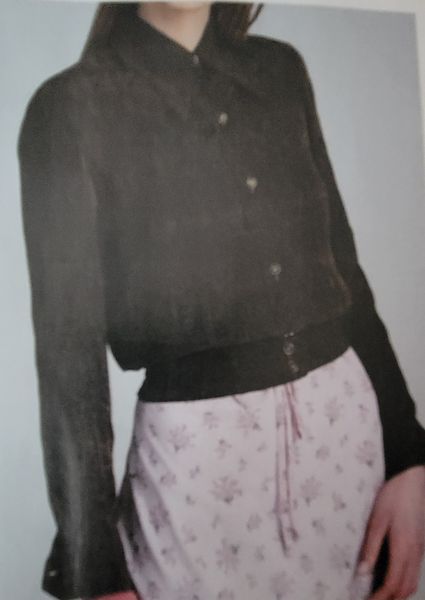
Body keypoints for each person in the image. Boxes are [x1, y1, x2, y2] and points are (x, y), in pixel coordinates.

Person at [16, 2, 425, 600]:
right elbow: (68, 361)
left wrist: (409, 456)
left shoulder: (280, 71)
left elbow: (346, 273)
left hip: (347, 439)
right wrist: (96, 573)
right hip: (198, 466)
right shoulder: (69, 109)